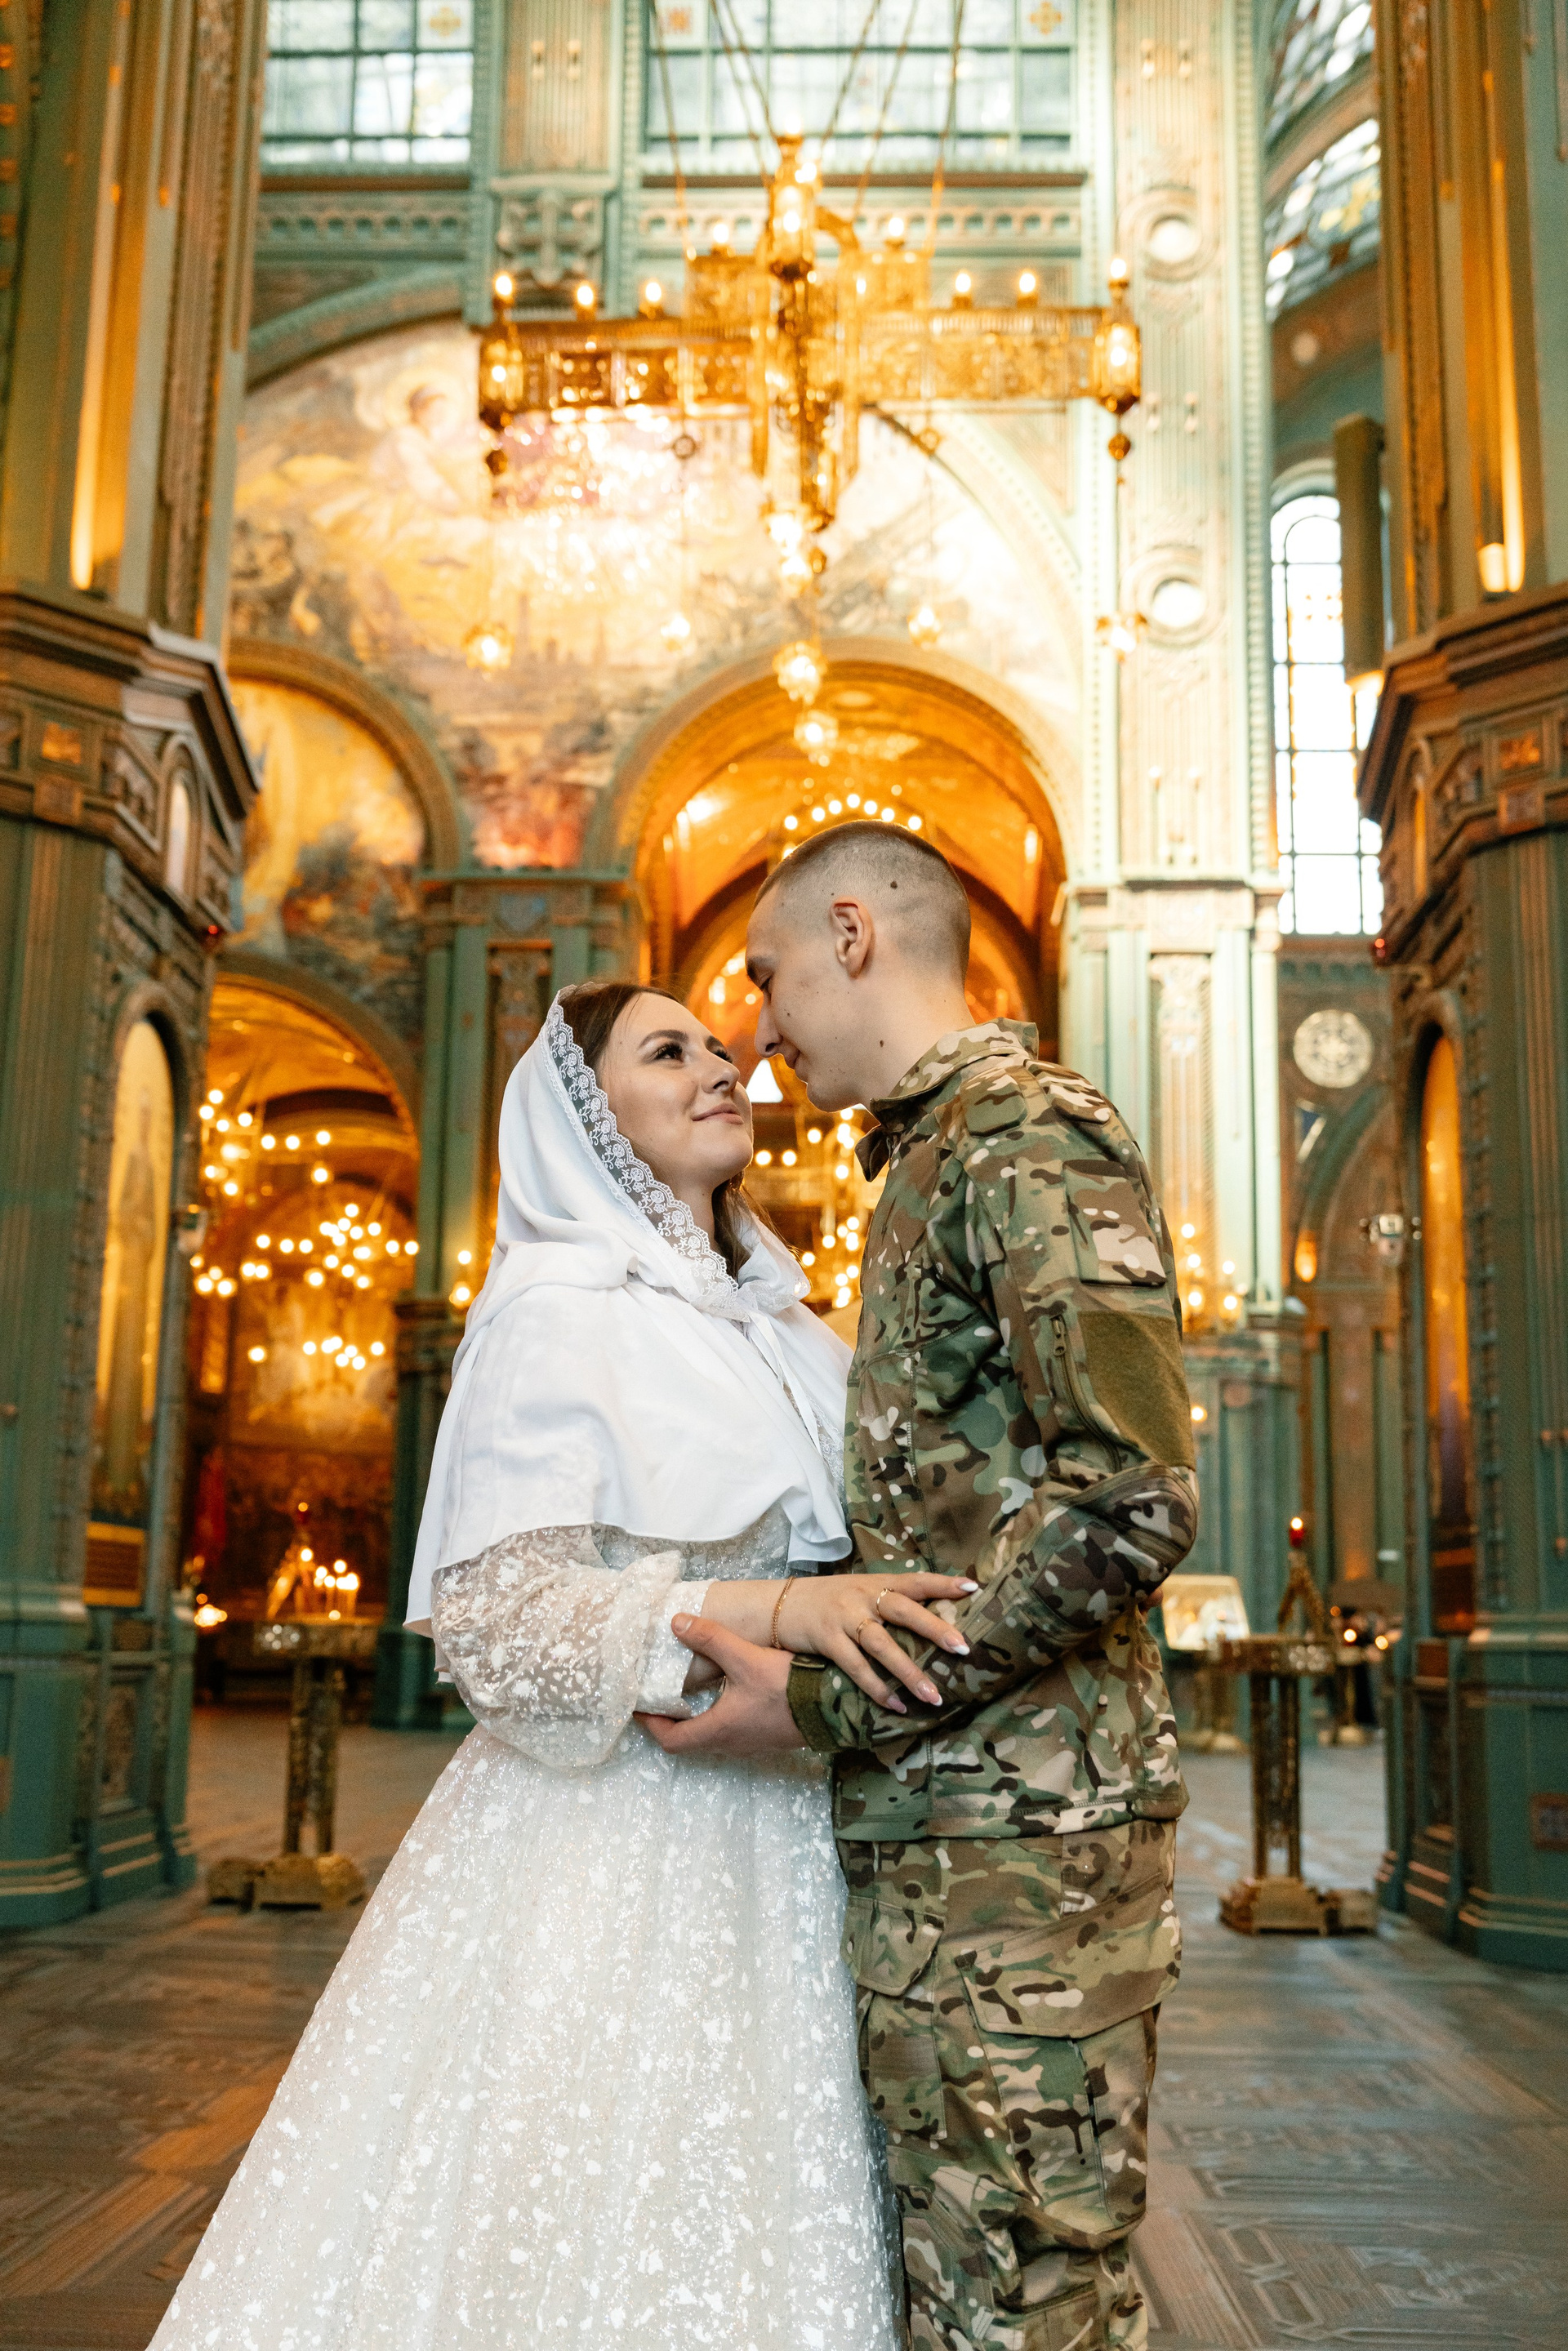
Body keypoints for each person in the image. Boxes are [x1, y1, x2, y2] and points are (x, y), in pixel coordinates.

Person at [151, 977, 977, 2351]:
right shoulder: (554, 1306)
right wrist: (774, 1611)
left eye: (719, 1045)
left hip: (803, 1829)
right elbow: (505, 1623)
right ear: (589, 1114)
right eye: (669, 1051)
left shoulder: (791, 1327)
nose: (722, 1065)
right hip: (617, 1837)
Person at [644, 824, 1200, 2351]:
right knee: (969, 2282)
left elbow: (1134, 1500)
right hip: (950, 1827)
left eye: (767, 976)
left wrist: (829, 1698)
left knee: (1023, 2294)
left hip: (1028, 1846)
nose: (760, 1030)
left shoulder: (1027, 1135)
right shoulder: (931, 1157)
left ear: (853, 934)